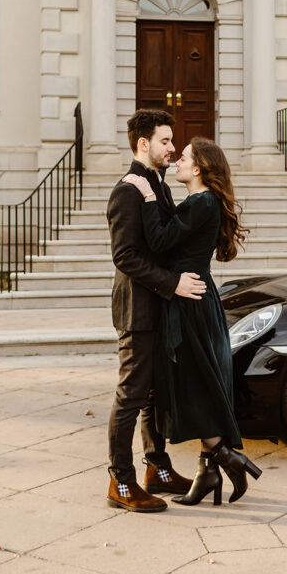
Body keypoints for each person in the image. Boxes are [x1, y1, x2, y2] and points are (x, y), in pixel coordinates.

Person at [122, 136, 262, 505]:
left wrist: (149, 196)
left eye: (183, 157)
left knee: (194, 382)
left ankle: (225, 456)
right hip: (193, 296)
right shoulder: (199, 202)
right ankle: (208, 472)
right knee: (199, 378)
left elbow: (158, 240)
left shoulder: (201, 203)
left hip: (190, 303)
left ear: (198, 168)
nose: (177, 160)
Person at [106, 109, 207, 513]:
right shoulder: (128, 189)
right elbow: (125, 256)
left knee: (153, 395)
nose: (171, 148)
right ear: (143, 143)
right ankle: (120, 481)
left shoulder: (157, 186)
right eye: (165, 141)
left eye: (172, 141)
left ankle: (157, 468)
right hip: (138, 310)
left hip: (161, 308)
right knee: (131, 396)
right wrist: (173, 283)